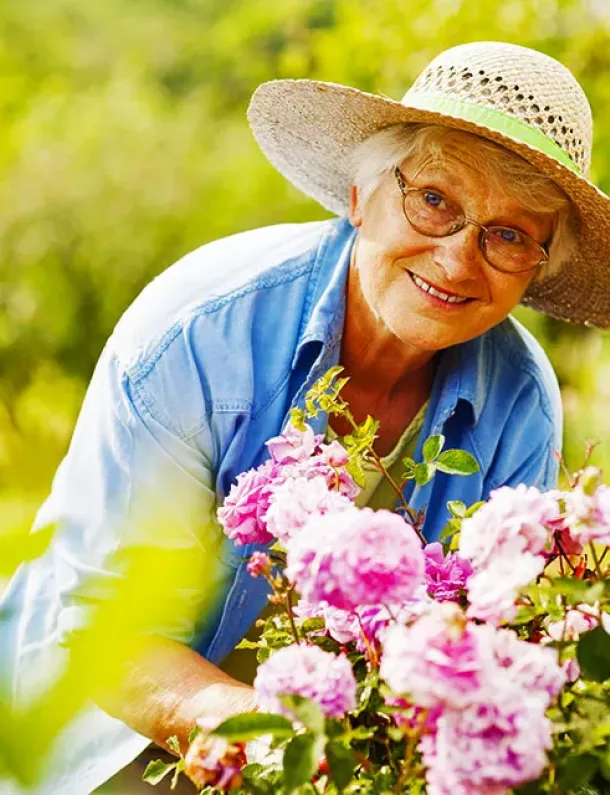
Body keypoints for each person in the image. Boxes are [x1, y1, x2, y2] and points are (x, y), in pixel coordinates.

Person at [2, 40, 609, 794]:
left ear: (537, 270)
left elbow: (482, 645)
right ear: (360, 196)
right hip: (107, 742)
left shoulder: (521, 401)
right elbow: (107, 631)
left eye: (510, 235)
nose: (457, 260)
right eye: (435, 201)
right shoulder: (199, 336)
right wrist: (267, 740)